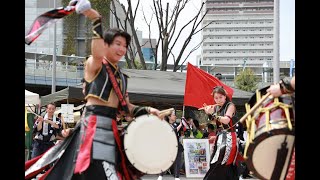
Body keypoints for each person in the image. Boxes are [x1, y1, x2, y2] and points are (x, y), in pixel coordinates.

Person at [25, 0, 162, 179]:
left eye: (125, 45)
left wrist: (149, 110)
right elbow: (97, 53)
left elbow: (127, 108)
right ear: (106, 45)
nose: (122, 49)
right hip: (93, 130)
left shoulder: (122, 77)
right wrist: (96, 19)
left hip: (111, 132)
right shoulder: (95, 65)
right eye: (117, 43)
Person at [202, 86, 241, 180]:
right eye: (216, 98)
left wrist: (213, 114)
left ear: (225, 96)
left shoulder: (230, 105)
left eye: (220, 97)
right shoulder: (217, 108)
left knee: (221, 162)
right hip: (220, 137)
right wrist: (208, 112)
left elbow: (226, 120)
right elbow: (213, 121)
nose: (218, 100)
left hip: (229, 138)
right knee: (216, 161)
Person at [158, 110, 183, 180]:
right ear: (169, 116)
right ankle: (160, 175)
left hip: (177, 146)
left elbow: (177, 132)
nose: (175, 116)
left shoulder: (176, 124)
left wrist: (182, 124)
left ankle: (177, 176)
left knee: (178, 161)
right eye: (173, 115)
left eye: (175, 115)